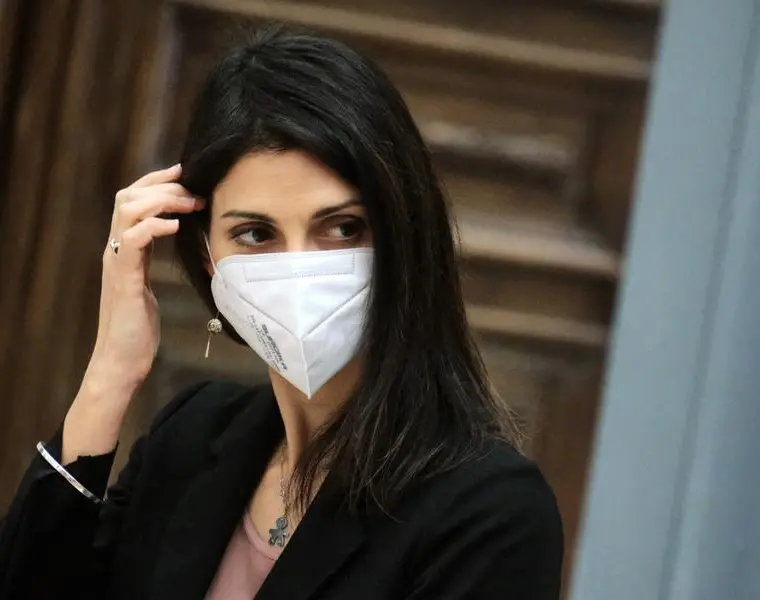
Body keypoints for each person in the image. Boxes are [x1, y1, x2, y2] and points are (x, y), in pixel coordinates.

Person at [0, 26, 563, 599]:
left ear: (403, 232)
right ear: (208, 255)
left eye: (343, 228)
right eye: (255, 234)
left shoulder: (490, 515)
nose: (299, 269)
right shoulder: (191, 438)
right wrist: (109, 376)